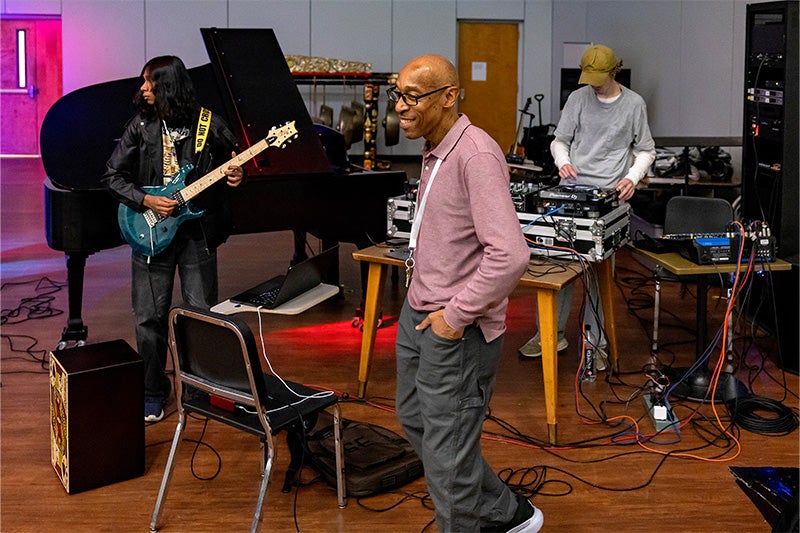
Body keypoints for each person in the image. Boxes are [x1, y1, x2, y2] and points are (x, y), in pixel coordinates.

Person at [391, 54, 543, 533]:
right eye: (399, 94)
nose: (400, 106)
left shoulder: (475, 154)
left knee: (447, 456)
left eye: (412, 96)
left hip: (455, 331)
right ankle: (506, 512)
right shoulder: (437, 148)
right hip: (418, 313)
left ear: (449, 97)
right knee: (415, 420)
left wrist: (454, 316)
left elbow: (512, 254)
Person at [102, 55, 244, 422]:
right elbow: (112, 176)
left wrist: (238, 175)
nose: (143, 89)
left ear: (169, 86)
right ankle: (152, 390)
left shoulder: (208, 123)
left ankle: (199, 388)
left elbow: (234, 161)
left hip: (196, 231)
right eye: (143, 81)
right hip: (150, 232)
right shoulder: (141, 127)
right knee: (149, 317)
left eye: (150, 82)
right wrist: (146, 199)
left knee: (200, 313)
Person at [519, 44, 656, 365]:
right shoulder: (578, 99)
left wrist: (632, 178)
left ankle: (595, 344)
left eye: (598, 77)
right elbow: (560, 139)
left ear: (614, 71)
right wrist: (563, 161)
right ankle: (550, 335)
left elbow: (646, 150)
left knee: (597, 271)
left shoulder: (634, 104)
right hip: (573, 188)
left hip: (611, 194)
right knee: (557, 264)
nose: (593, 84)